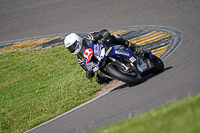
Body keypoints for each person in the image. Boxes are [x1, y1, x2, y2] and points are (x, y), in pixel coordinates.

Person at [64, 29, 144, 84]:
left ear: (77, 41)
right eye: (69, 48)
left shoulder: (88, 39)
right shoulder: (80, 59)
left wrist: (104, 34)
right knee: (99, 80)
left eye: (72, 46)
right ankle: (122, 74)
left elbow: (102, 32)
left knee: (115, 37)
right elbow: (87, 69)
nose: (72, 49)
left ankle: (134, 47)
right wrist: (89, 73)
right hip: (100, 65)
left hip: (105, 50)